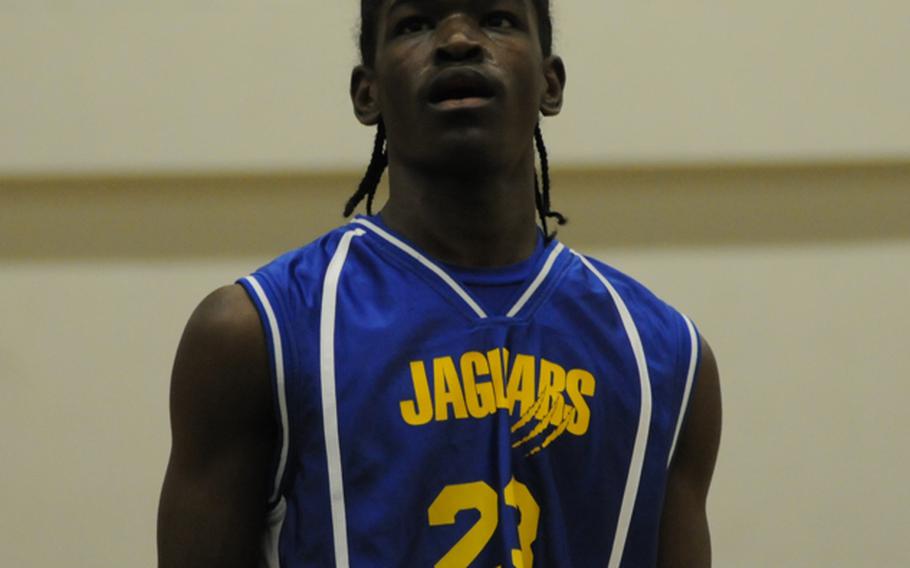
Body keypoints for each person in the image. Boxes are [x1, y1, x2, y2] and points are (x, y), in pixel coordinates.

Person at [157, 0, 722, 566]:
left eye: (497, 19)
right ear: (367, 93)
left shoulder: (666, 358)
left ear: (551, 84)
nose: (457, 40)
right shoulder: (256, 335)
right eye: (414, 23)